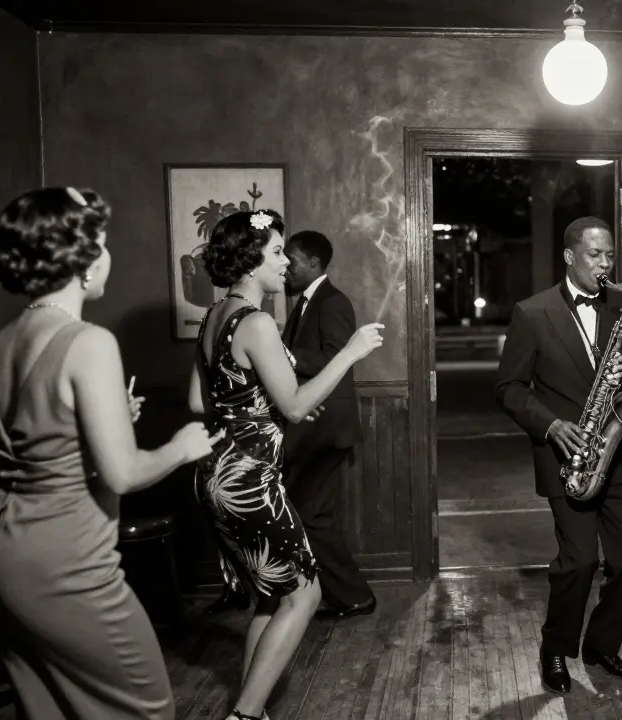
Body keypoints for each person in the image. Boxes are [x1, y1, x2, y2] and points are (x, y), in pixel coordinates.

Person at [0, 187, 220, 719]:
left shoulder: (4, 340)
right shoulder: (88, 341)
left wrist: (91, 431)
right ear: (80, 261)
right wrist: (180, 446)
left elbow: (3, 464)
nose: (107, 255)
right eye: (101, 243)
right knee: (148, 709)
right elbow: (125, 474)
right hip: (65, 563)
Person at [187, 210, 383, 720]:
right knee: (305, 595)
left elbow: (196, 399)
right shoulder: (255, 321)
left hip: (214, 474)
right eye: (276, 252)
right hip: (251, 481)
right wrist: (352, 352)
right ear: (251, 261)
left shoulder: (215, 316)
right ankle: (246, 716)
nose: (283, 263)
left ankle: (254, 709)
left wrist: (265, 408)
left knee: (272, 598)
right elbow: (295, 406)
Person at [495, 216, 622, 694]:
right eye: (596, 255)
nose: (606, 264)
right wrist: (550, 424)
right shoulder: (532, 312)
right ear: (570, 256)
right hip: (567, 455)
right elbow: (508, 388)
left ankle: (602, 645)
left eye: (610, 255)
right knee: (579, 560)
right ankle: (555, 646)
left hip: (618, 450)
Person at [281, 230, 375, 619]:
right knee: (312, 512)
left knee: (308, 512)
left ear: (314, 263)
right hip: (312, 426)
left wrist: (284, 355)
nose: (286, 268)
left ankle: (353, 596)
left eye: (293, 261)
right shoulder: (304, 303)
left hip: (326, 430)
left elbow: (337, 361)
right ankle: (345, 595)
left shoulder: (332, 302)